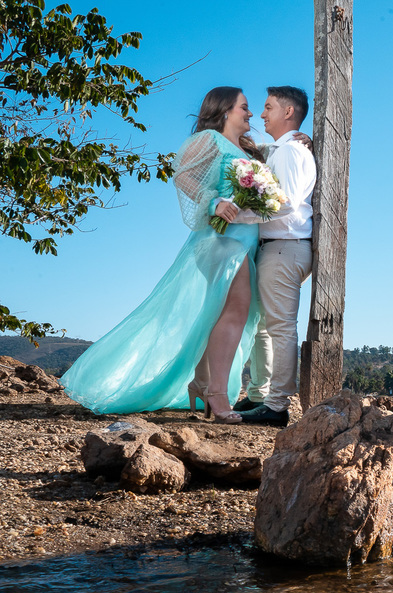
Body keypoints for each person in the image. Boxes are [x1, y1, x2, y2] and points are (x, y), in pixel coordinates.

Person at [60, 86, 267, 423]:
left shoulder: (244, 149)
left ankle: (202, 384)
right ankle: (216, 393)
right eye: (244, 107)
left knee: (218, 314)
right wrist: (215, 202)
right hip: (222, 239)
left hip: (244, 238)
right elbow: (184, 177)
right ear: (225, 110)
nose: (250, 113)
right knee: (235, 311)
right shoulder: (210, 141)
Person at [233, 86, 317, 427]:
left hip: (284, 246)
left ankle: (277, 406)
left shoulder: (291, 152)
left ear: (288, 113)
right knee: (268, 327)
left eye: (268, 107)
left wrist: (238, 215)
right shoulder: (282, 150)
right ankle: (261, 396)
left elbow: (286, 202)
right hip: (281, 248)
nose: (262, 114)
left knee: (280, 328)